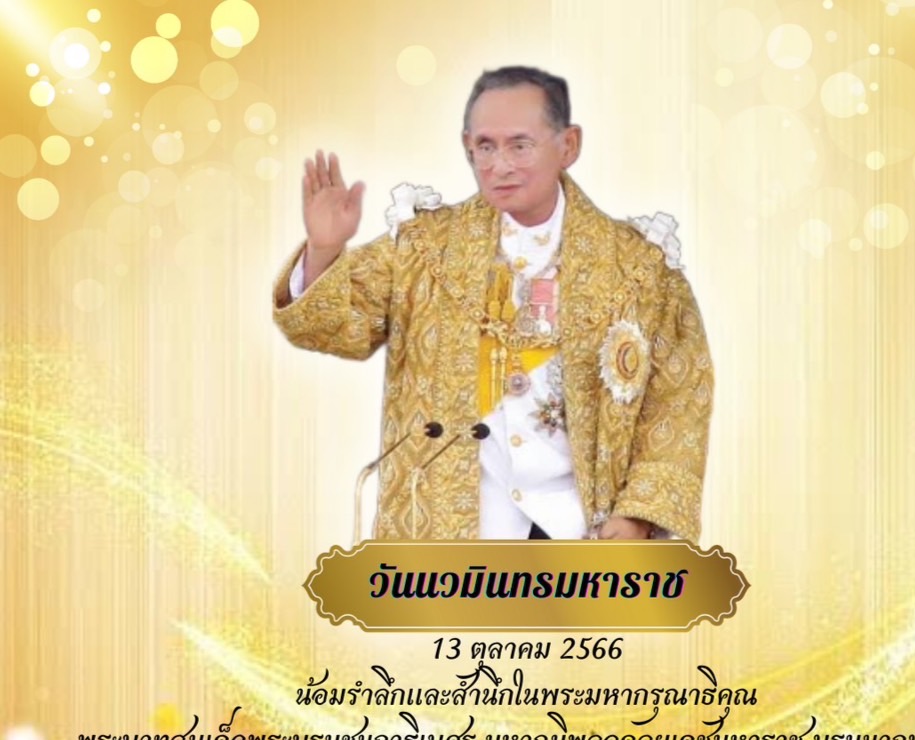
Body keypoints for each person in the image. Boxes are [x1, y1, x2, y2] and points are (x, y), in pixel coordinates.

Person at [273, 66, 712, 541]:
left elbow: (679, 398)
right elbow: (335, 329)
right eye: (485, 146)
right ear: (467, 146)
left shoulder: (639, 266)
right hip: (446, 531)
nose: (500, 165)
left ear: (568, 145)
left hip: (580, 527)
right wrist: (324, 250)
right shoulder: (423, 246)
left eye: (520, 146)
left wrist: (638, 515)